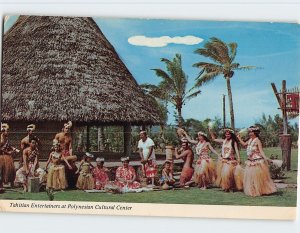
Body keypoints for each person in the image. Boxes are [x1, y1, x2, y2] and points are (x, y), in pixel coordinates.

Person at [237, 126, 277, 197]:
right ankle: (253, 191)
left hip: (257, 162)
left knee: (257, 178)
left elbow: (261, 151)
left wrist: (266, 158)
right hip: (250, 161)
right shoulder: (250, 140)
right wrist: (239, 138)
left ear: (255, 133)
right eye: (249, 132)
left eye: (251, 132)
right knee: (251, 177)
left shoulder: (257, 141)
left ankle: (259, 190)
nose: (249, 133)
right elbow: (243, 144)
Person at [210, 128, 243, 192]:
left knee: (228, 175)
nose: (227, 135)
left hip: (230, 160)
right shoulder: (223, 141)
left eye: (228, 134)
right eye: (226, 134)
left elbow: (236, 150)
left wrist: (239, 158)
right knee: (223, 175)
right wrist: (211, 131)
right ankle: (226, 187)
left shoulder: (233, 142)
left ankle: (231, 187)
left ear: (231, 135)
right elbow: (214, 139)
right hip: (223, 160)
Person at [55, 121, 77, 188]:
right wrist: (57, 151)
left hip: (66, 153)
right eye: (66, 128)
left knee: (73, 162)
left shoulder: (69, 137)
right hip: (59, 153)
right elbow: (54, 144)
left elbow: (70, 148)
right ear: (63, 128)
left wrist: (70, 156)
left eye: (68, 128)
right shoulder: (58, 135)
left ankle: (69, 184)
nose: (67, 130)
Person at [0, 123, 18, 188]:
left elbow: (9, 146)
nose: (8, 132)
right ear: (3, 131)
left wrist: (14, 149)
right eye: (7, 131)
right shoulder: (1, 139)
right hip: (2, 156)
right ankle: (1, 184)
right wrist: (8, 153)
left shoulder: (6, 139)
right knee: (2, 170)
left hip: (8, 157)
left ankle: (11, 183)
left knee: (11, 169)